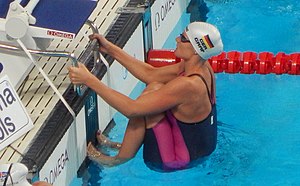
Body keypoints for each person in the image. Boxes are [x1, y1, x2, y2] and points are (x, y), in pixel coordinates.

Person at [68, 21, 223, 171]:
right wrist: (110, 49)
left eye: (183, 38)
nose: (177, 39)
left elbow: (132, 110)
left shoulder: (189, 85)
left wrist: (89, 80)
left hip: (177, 160)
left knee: (145, 105)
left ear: (196, 49)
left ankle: (117, 160)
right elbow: (151, 74)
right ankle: (125, 146)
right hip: (200, 148)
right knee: (155, 87)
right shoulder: (201, 66)